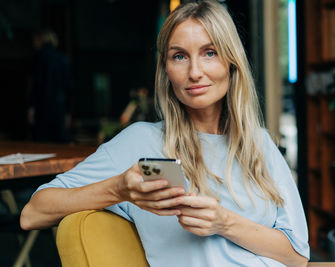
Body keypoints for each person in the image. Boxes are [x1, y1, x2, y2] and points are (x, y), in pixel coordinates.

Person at [20, 1, 309, 266]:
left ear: (231, 63)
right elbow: (32, 213)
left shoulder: (259, 143)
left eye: (210, 53)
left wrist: (223, 223)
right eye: (179, 56)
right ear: (166, 70)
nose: (194, 72)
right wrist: (119, 189)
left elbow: (297, 258)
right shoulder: (142, 142)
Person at [28, 29, 71, 143]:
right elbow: (68, 86)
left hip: (42, 105)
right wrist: (68, 111)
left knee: (41, 141)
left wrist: (31, 107)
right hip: (59, 106)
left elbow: (35, 84)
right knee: (60, 142)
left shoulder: (38, 57)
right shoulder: (62, 58)